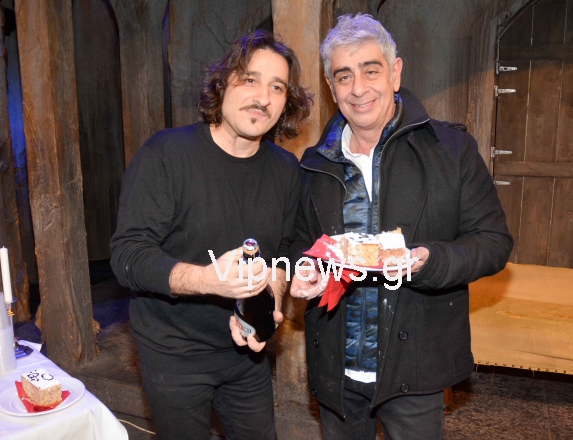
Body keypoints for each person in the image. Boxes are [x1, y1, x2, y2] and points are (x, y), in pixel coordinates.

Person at [289, 14, 513, 440]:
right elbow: (300, 240)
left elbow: (494, 242)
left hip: (415, 365)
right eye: (344, 76)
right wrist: (305, 267)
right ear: (331, 86)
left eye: (371, 70)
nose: (358, 88)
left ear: (395, 73)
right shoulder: (314, 163)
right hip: (336, 365)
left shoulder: (451, 151)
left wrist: (429, 260)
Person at [110, 30, 311, 440]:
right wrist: (207, 279)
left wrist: (271, 300)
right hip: (173, 352)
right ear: (222, 83)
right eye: (250, 79)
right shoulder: (167, 155)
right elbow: (128, 255)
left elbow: (284, 251)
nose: (263, 97)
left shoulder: (286, 169)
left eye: (277, 87)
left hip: (246, 350)